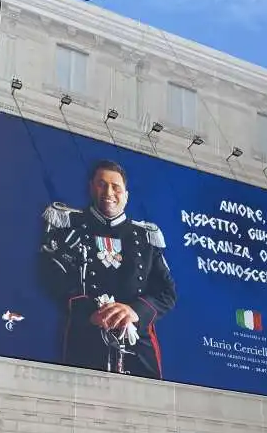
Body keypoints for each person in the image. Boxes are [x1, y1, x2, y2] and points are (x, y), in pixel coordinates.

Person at [40, 159, 176, 378]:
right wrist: (89, 314)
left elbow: (166, 293)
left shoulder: (146, 236)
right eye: (102, 184)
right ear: (91, 187)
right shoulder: (68, 223)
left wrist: (134, 312)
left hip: (136, 342)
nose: (109, 192)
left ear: (126, 195)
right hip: (85, 340)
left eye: (116, 187)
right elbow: (50, 276)